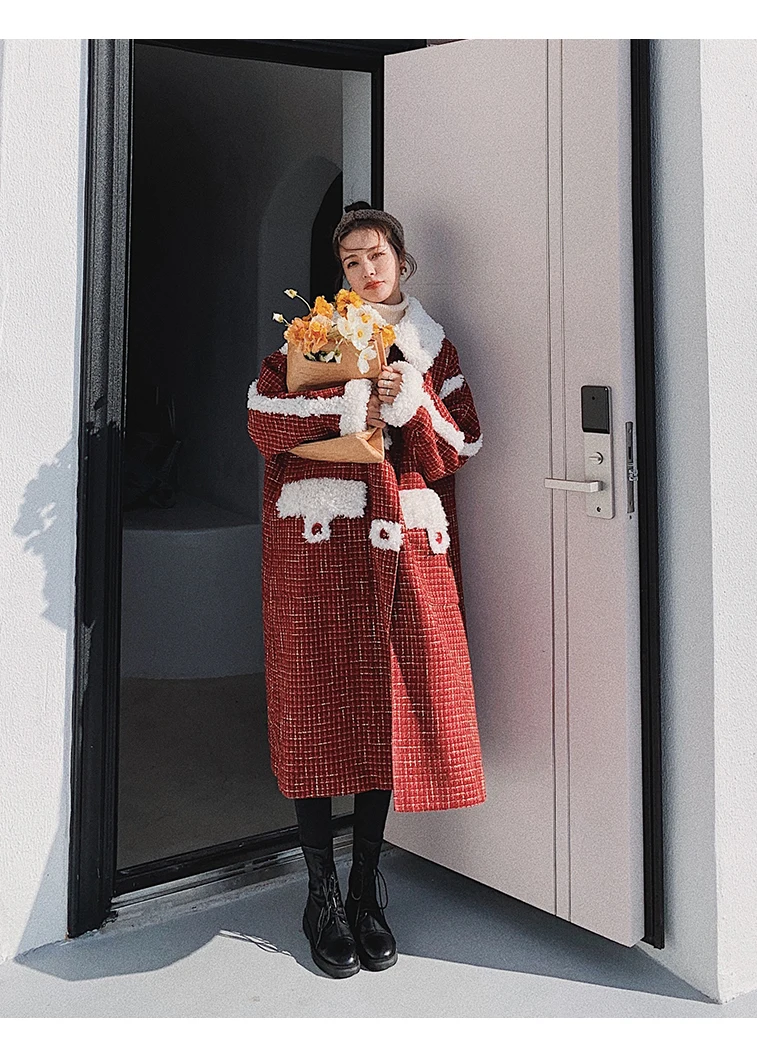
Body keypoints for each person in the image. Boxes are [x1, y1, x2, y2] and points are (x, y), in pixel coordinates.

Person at [246, 201, 486, 978]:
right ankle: (319, 895)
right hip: (320, 548)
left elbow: (464, 440)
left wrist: (409, 400)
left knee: (384, 707)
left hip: (400, 547)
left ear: (401, 260)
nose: (365, 269)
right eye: (351, 261)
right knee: (316, 704)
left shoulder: (432, 348)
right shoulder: (316, 334)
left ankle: (364, 890)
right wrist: (348, 403)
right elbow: (263, 417)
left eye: (375, 255)